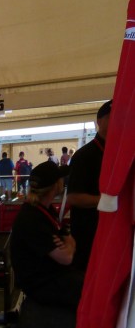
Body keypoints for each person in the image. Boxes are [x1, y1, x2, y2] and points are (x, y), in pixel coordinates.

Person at [11, 160, 83, 309]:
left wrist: (67, 244)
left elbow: (68, 241)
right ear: (55, 186)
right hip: (41, 284)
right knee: (91, 291)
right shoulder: (32, 218)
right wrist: (69, 245)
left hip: (50, 276)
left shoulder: (44, 209)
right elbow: (66, 257)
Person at [66, 99, 111, 271]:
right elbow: (73, 197)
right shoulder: (84, 156)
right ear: (99, 122)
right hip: (89, 234)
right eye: (111, 117)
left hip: (113, 230)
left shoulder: (119, 153)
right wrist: (104, 201)